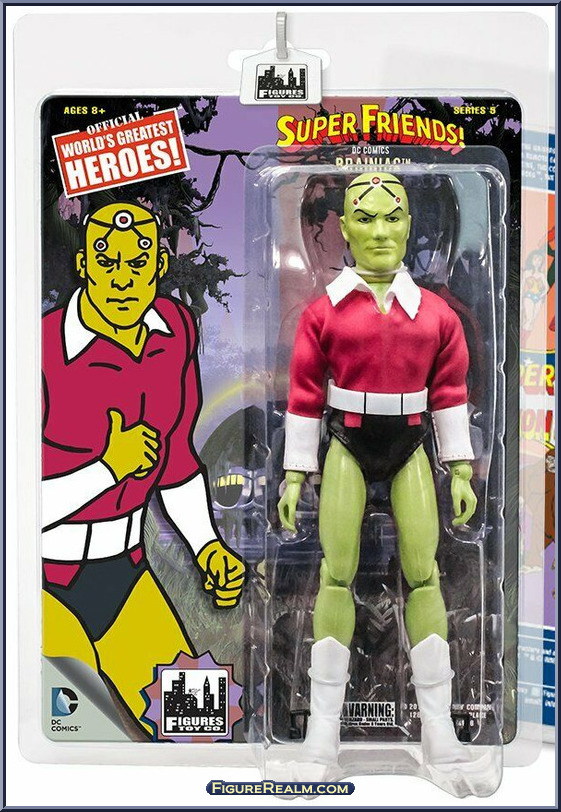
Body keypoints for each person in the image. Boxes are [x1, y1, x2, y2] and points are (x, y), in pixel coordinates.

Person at [278, 172, 487, 780]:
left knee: (424, 577)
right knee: (335, 576)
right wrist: (296, 474)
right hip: (346, 442)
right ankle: (321, 737)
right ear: (343, 228)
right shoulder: (323, 313)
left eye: (391, 217)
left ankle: (440, 734)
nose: (379, 231)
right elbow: (304, 395)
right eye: (364, 218)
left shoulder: (436, 315)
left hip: (410, 442)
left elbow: (450, 393)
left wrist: (460, 469)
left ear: (410, 225)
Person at [42, 202, 244, 737]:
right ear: (83, 264)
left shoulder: (175, 331)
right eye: (107, 262)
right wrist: (107, 470)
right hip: (41, 581)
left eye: (137, 263)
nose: (122, 279)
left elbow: (175, 457)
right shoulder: (38, 349)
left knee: (202, 726)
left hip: (126, 573)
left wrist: (207, 546)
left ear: (158, 266)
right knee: (79, 740)